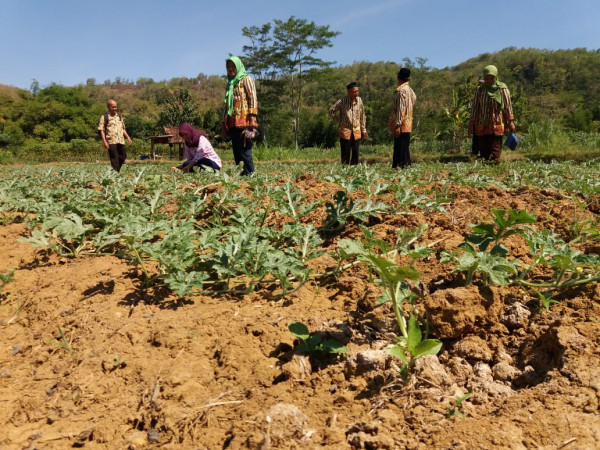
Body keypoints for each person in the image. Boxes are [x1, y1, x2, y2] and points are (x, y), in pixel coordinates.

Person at [469, 65, 515, 161]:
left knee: (495, 150)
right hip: (482, 124)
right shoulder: (480, 90)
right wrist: (471, 123)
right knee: (483, 151)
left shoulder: (502, 89)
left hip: (496, 123)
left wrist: (510, 121)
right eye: (487, 78)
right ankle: (485, 173)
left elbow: (508, 106)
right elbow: (475, 107)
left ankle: (495, 169)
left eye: (491, 78)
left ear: (496, 77)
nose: (489, 80)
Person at [221, 56, 258, 176]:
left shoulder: (246, 79)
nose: (231, 69)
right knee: (236, 152)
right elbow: (227, 106)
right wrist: (224, 125)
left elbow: (252, 98)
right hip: (232, 123)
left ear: (238, 67)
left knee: (245, 150)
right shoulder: (230, 85)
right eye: (228, 67)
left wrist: (252, 118)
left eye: (233, 66)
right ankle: (242, 176)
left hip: (244, 122)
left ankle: (250, 174)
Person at [328, 82, 367, 165]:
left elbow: (362, 115)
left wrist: (363, 129)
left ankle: (354, 169)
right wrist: (339, 120)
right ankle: (345, 170)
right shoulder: (342, 101)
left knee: (355, 151)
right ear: (349, 92)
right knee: (346, 152)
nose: (356, 93)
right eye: (354, 92)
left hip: (356, 129)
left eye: (357, 91)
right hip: (345, 130)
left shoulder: (359, 100)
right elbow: (331, 111)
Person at [390, 68, 417, 169]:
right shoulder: (410, 91)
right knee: (405, 146)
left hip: (401, 123)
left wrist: (397, 125)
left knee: (399, 146)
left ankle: (399, 166)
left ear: (398, 78)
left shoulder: (401, 91)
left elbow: (401, 109)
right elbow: (413, 101)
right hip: (408, 122)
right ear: (409, 79)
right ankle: (406, 165)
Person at [98, 99, 132, 172]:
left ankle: (117, 170)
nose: (114, 108)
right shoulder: (104, 117)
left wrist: (128, 137)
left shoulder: (119, 116)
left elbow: (123, 128)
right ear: (108, 107)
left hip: (121, 140)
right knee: (114, 158)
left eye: (115, 107)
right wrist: (105, 142)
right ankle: (116, 172)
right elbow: (101, 130)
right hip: (111, 141)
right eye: (113, 107)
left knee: (123, 156)